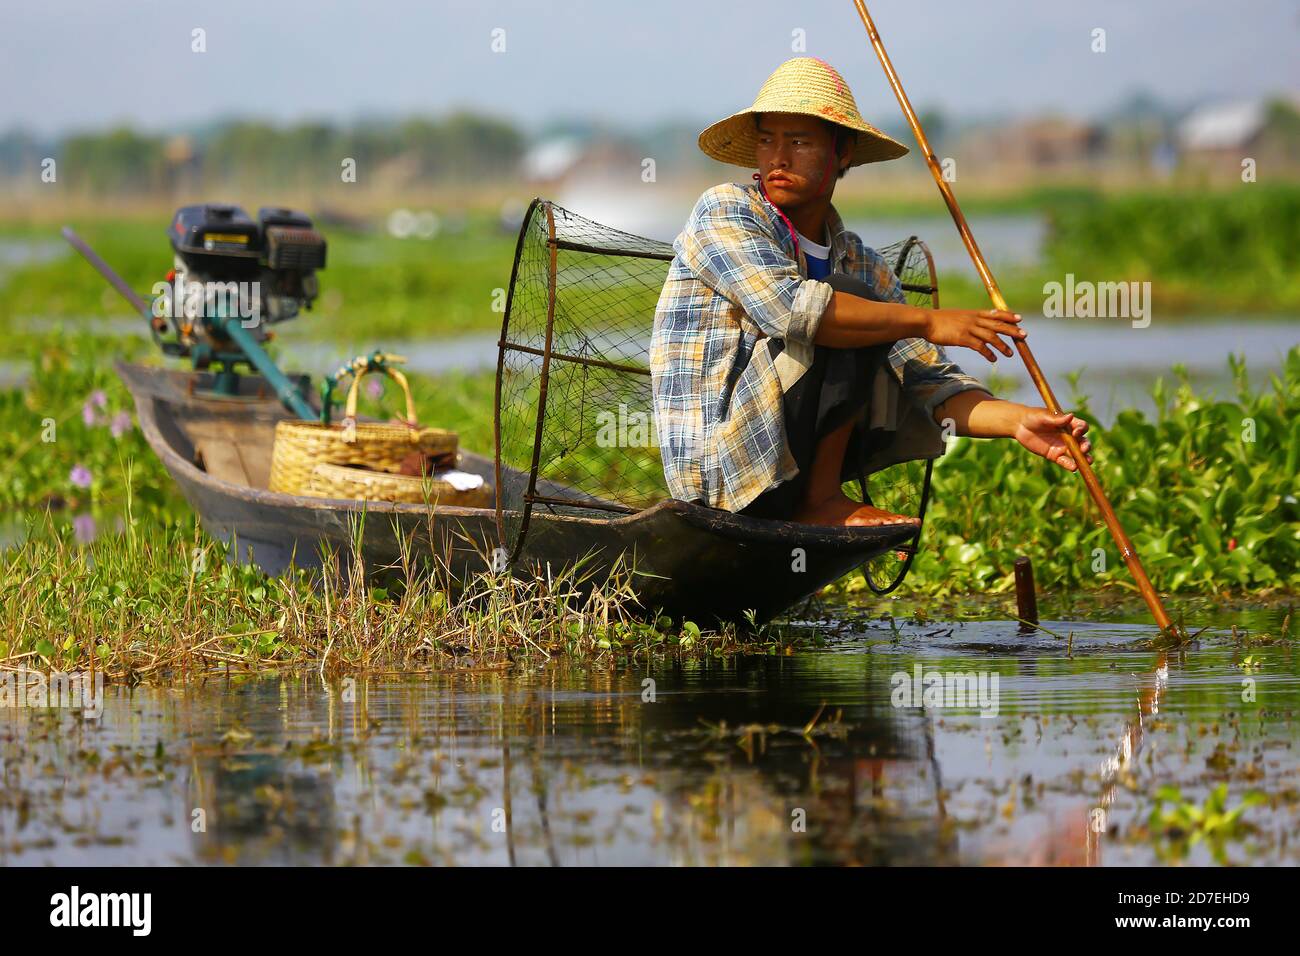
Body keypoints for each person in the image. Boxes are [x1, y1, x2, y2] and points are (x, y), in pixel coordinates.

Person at [650, 56, 1091, 527]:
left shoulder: (862, 263)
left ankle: (818, 498)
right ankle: (821, 502)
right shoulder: (726, 211)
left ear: (842, 154)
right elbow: (792, 311)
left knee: (862, 302)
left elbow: (927, 378)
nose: (778, 157)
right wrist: (928, 319)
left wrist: (1018, 421)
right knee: (844, 300)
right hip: (724, 474)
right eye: (766, 140)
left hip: (787, 468)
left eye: (799, 141)